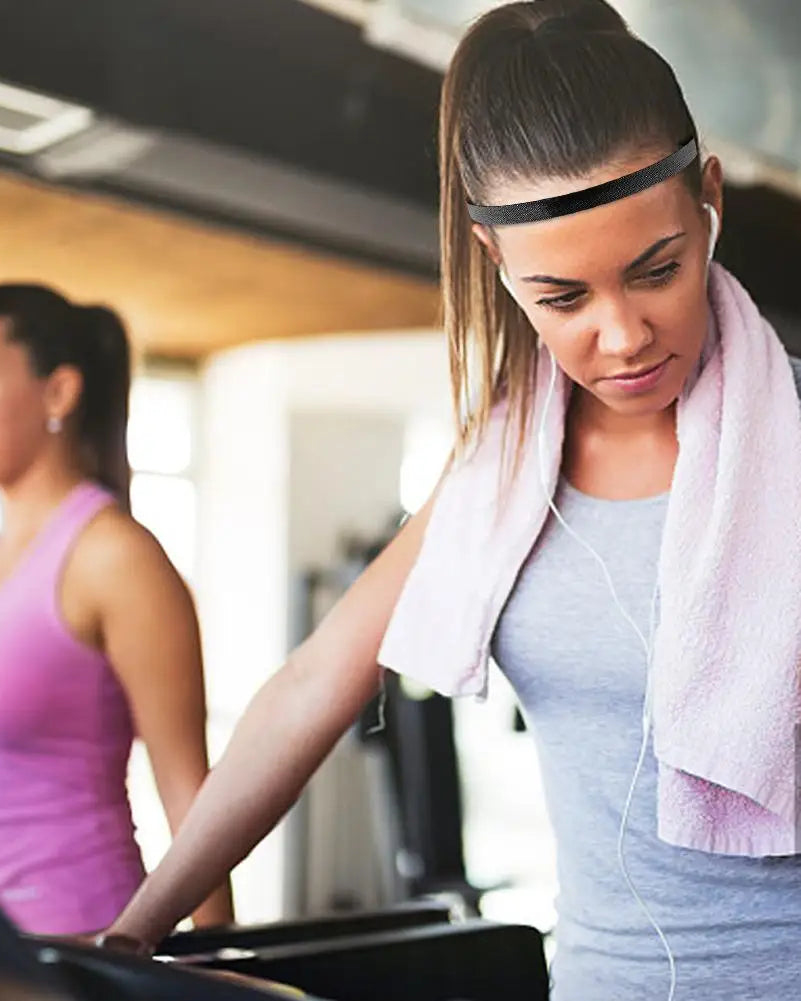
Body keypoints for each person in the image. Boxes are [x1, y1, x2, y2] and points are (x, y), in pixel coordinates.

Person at [98, 3, 801, 999]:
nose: (621, 334)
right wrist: (136, 925)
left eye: (657, 270)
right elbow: (308, 689)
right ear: (495, 262)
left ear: (707, 203)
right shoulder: (500, 472)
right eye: (561, 297)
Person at [0, 283, 233, 938]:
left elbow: (192, 799)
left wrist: (217, 960)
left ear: (58, 392)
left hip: (80, 943)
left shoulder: (115, 556)